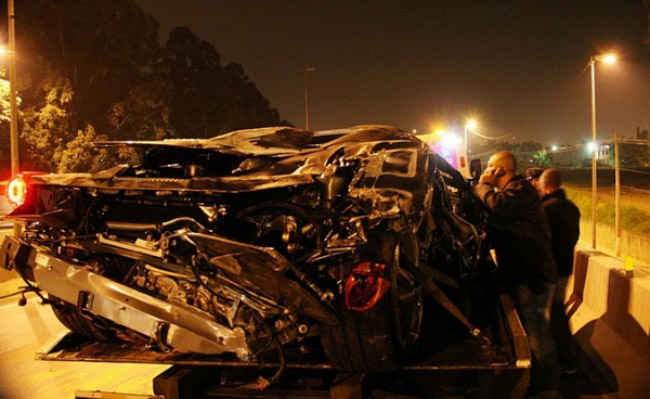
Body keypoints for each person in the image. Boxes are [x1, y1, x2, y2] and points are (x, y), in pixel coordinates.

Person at [474, 151, 560, 399]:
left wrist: (482, 185)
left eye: (491, 166)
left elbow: (496, 206)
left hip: (532, 277)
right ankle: (540, 385)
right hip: (525, 273)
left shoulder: (519, 190)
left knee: (537, 334)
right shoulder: (514, 192)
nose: (487, 170)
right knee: (533, 333)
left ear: (502, 170)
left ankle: (548, 389)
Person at [539, 168, 581, 375]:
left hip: (550, 270)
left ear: (545, 184)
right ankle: (566, 358)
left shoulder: (546, 209)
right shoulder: (572, 208)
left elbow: (542, 242)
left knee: (554, 314)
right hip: (565, 268)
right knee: (556, 312)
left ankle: (566, 360)